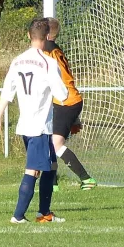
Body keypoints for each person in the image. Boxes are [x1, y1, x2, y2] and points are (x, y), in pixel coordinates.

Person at [0, 18, 68, 224]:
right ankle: (17, 216)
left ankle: (45, 213)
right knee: (33, 169)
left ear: (28, 36)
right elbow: (62, 94)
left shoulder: (17, 61)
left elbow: (8, 91)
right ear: (48, 37)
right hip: (39, 126)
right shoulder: (49, 62)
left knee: (50, 165)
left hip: (25, 125)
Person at [44, 17, 97, 191]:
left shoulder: (48, 50)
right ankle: (52, 183)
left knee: (54, 144)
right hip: (68, 101)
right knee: (49, 142)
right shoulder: (55, 50)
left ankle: (86, 179)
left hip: (64, 102)